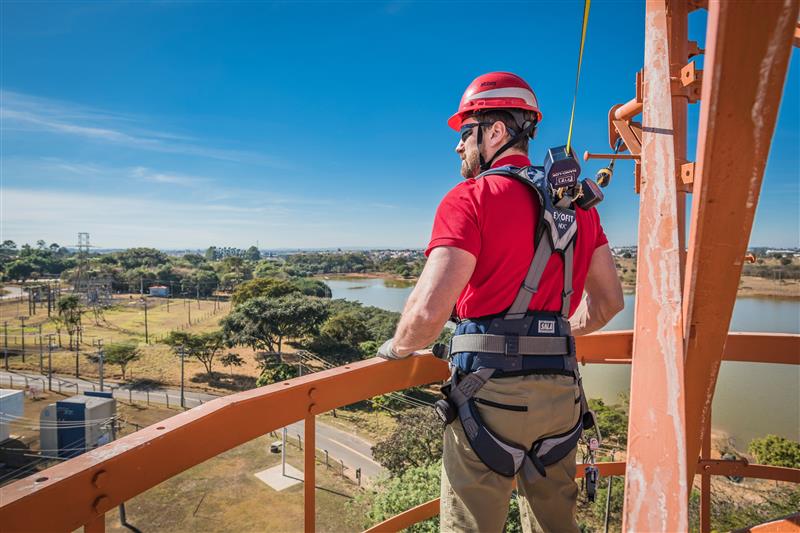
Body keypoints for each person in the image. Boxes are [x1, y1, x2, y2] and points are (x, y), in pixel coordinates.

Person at [377, 71, 624, 532]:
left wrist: (396, 348)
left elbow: (427, 316)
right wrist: (551, 335)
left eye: (464, 133)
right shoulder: (578, 210)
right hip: (561, 396)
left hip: (488, 400)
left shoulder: (470, 198)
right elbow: (609, 303)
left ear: (494, 131)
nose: (457, 147)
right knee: (555, 524)